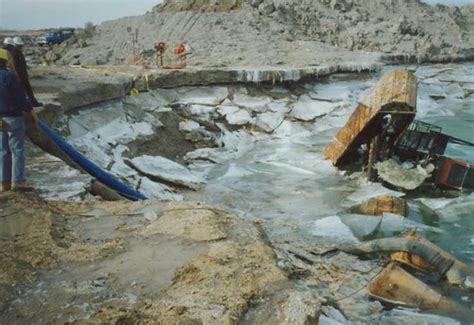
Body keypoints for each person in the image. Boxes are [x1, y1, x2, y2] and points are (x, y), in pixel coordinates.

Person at [0, 48, 38, 192]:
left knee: (3, 151)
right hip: (13, 118)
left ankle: (4, 183)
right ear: (5, 62)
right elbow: (21, 98)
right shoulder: (9, 77)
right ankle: (18, 182)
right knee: (18, 150)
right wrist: (30, 111)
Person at [12, 37, 43, 107]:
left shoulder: (20, 54)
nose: (21, 47)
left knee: (28, 90)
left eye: (21, 46)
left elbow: (23, 65)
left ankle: (33, 103)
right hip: (19, 76)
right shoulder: (14, 54)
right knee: (20, 92)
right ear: (15, 45)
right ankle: (24, 105)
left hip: (23, 75)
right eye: (19, 46)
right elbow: (14, 67)